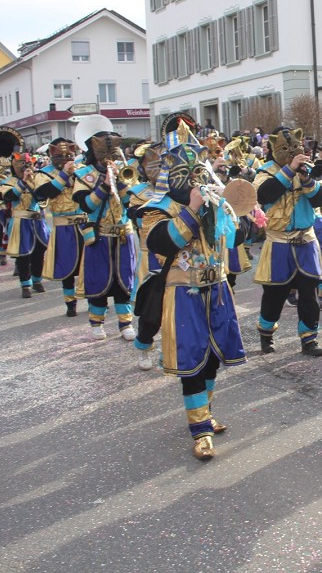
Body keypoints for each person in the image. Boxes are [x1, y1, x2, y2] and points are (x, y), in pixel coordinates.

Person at [139, 122, 246, 460]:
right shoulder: (155, 208)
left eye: (197, 167)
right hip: (182, 295)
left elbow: (234, 239)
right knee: (192, 364)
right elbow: (162, 242)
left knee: (213, 358)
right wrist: (193, 209)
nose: (196, 176)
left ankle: (206, 414)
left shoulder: (212, 198)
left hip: (217, 288)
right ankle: (199, 430)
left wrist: (239, 216)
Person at [253, 127, 322, 356]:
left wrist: (307, 180)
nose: (292, 152)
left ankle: (309, 339)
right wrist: (288, 170)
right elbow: (264, 195)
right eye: (286, 149)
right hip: (279, 243)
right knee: (274, 295)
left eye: (296, 148)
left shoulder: (308, 169)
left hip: (306, 241)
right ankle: (266, 334)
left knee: (309, 295)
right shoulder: (266, 172)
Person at [71, 115, 138, 341]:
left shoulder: (124, 169)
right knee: (98, 279)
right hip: (99, 235)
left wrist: (120, 182)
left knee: (124, 280)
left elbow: (132, 200)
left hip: (123, 234)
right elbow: (86, 204)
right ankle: (96, 323)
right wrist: (103, 187)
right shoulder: (83, 174)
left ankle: (125, 323)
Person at [31, 138, 85, 317]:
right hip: (64, 226)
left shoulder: (82, 170)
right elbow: (44, 193)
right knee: (67, 268)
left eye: (69, 155)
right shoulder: (43, 173)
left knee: (91, 264)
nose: (65, 158)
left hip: (86, 223)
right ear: (51, 156)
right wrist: (63, 175)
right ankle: (70, 302)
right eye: (60, 156)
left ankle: (96, 300)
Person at [0, 153, 50, 299]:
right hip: (20, 221)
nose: (27, 169)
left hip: (37, 221)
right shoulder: (10, 181)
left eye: (29, 165)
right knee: (23, 255)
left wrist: (32, 182)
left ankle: (37, 280)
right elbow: (8, 196)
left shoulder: (37, 180)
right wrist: (22, 183)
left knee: (39, 252)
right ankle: (25, 284)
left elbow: (42, 197)